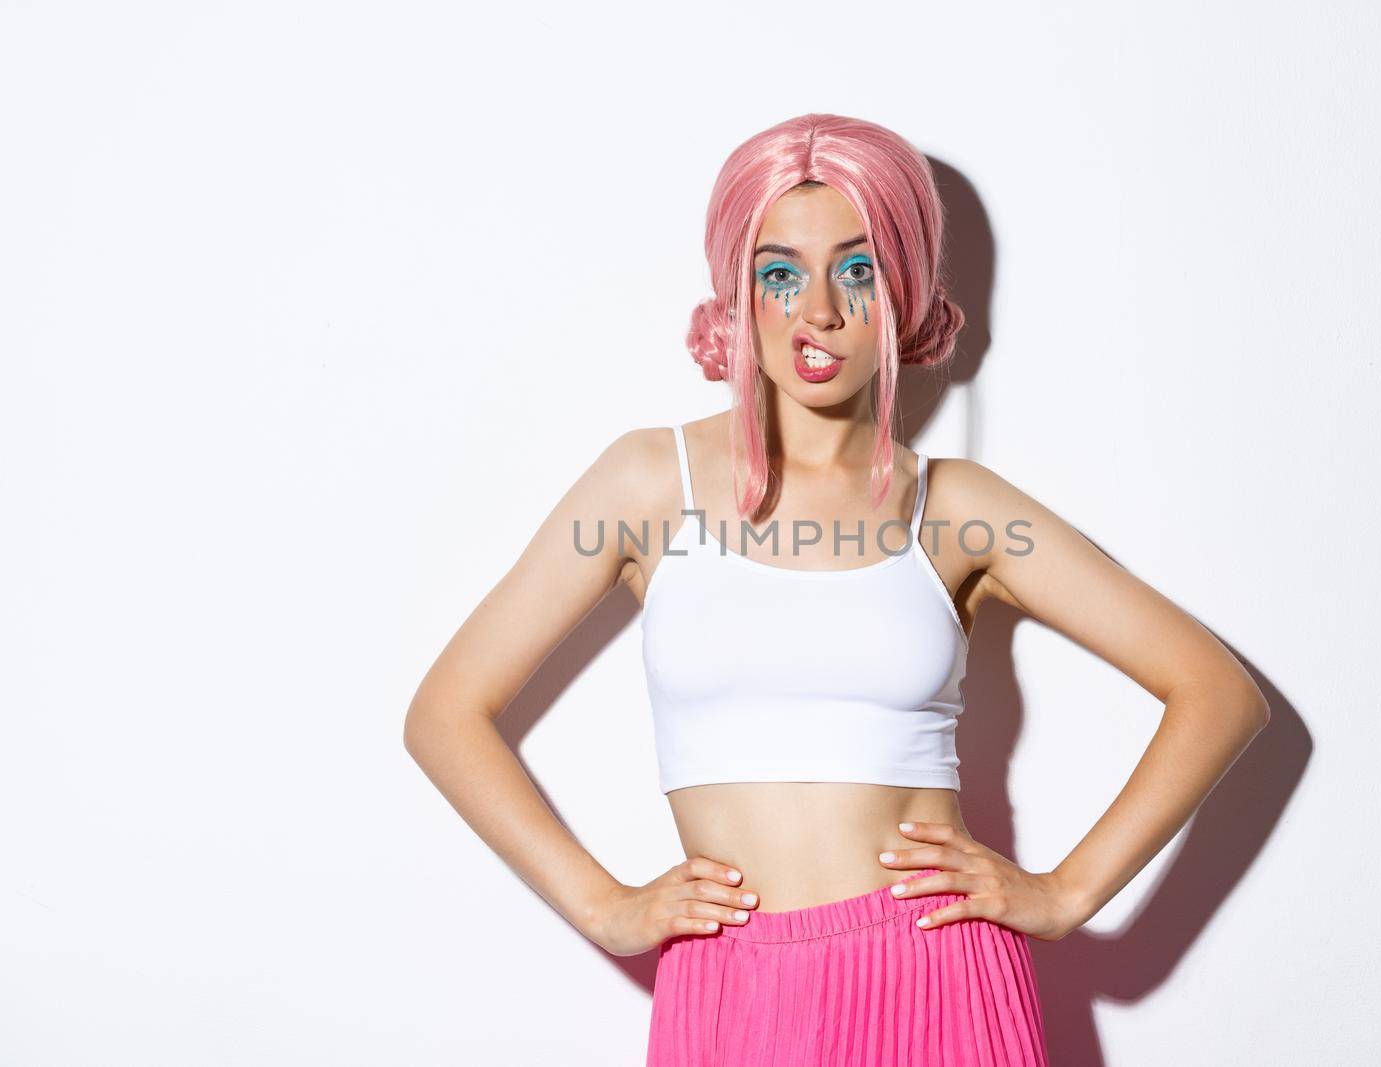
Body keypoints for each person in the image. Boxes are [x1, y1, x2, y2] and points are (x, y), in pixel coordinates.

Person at [403, 113, 1271, 1065]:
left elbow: (1216, 690)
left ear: (902, 289)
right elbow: (446, 712)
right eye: (779, 272)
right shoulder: (647, 485)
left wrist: (1064, 893)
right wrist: (604, 905)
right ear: (740, 291)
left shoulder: (960, 510)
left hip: (940, 974)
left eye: (856, 270)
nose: (816, 309)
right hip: (730, 987)